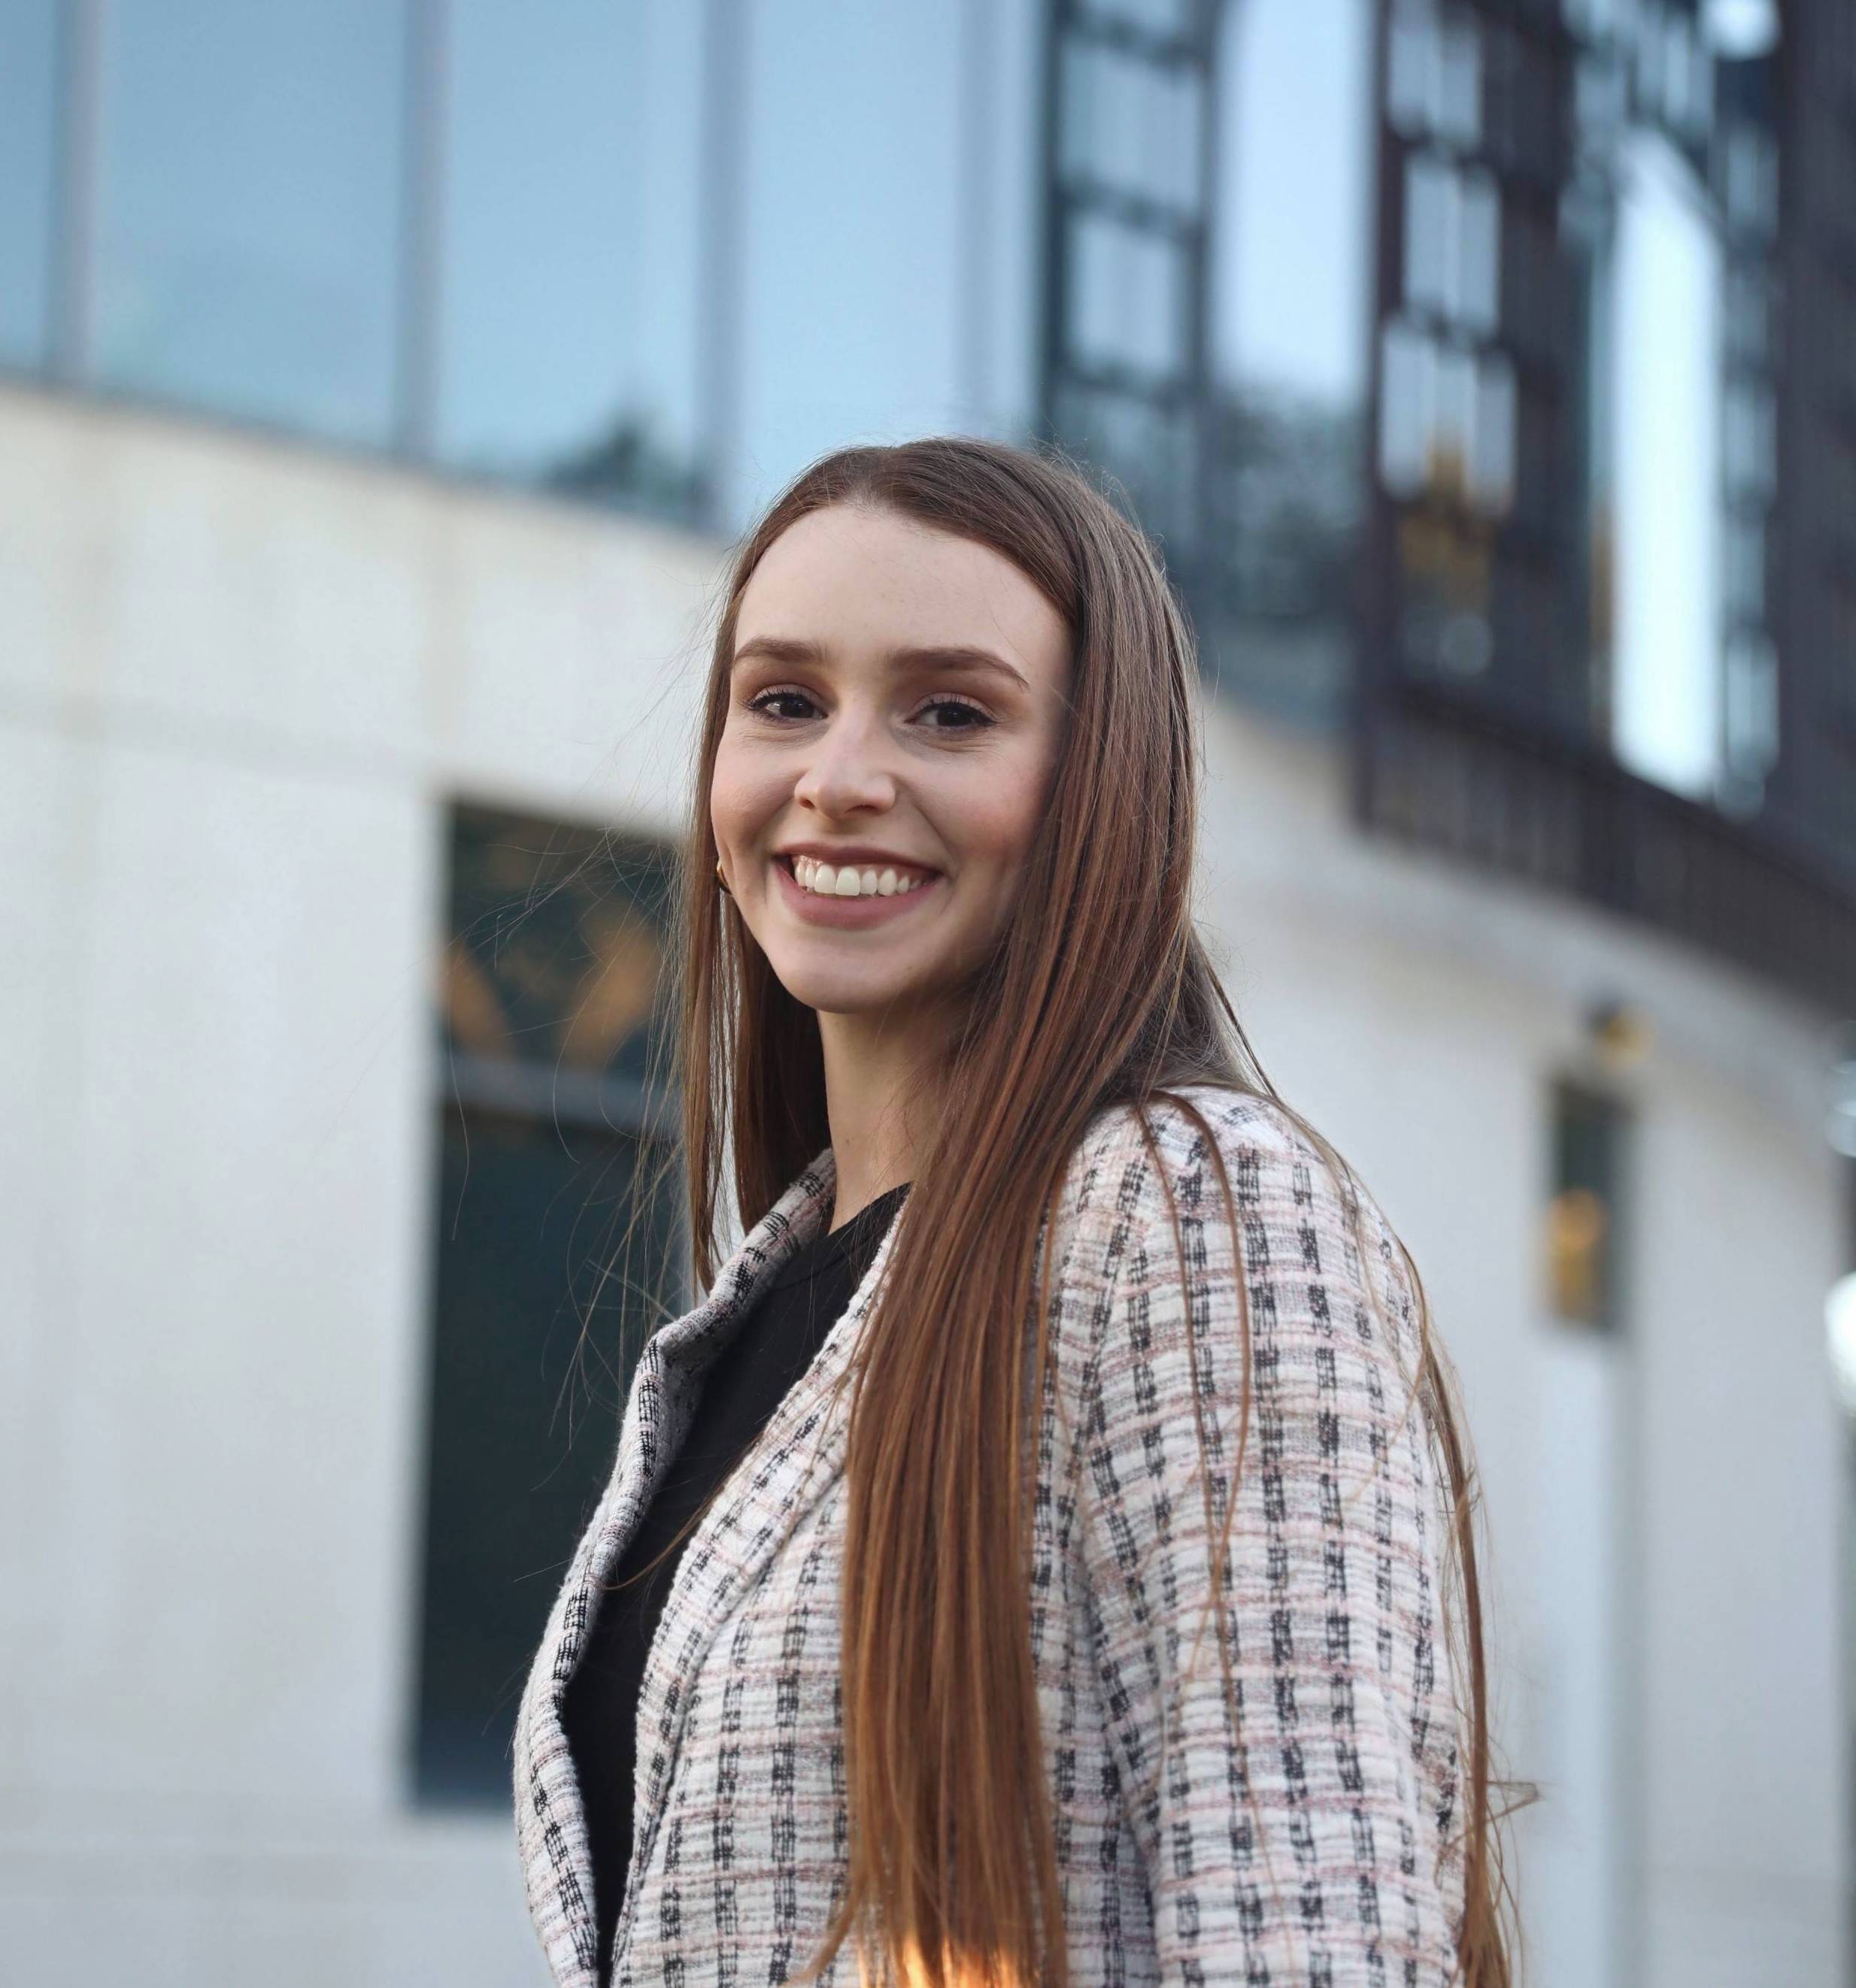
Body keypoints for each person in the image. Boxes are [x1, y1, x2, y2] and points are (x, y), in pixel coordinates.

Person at [513, 437, 1518, 1987]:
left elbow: (1308, 1942)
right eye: (784, 701)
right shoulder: (772, 1305)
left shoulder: (1188, 1208)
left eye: (950, 713)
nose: (839, 776)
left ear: (1099, 794)